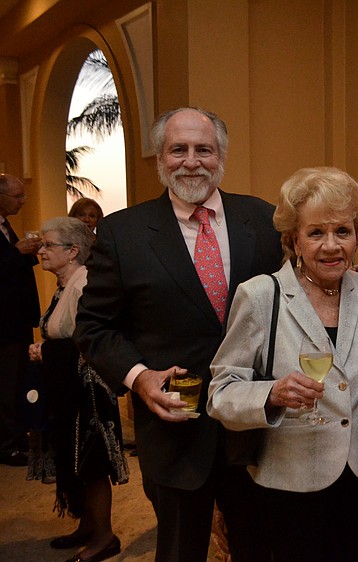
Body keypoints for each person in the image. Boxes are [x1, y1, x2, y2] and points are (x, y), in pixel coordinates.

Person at [74, 107, 283, 562]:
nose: (192, 161)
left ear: (220, 155)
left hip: (253, 426)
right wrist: (138, 377)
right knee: (179, 551)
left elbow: (295, 290)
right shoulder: (123, 233)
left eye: (203, 149)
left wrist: (343, 279)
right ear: (160, 160)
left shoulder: (264, 220)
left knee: (263, 548)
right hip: (175, 425)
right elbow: (92, 325)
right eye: (178, 150)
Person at [208, 166, 358, 561]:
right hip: (289, 480)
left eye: (343, 231)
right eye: (316, 233)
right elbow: (220, 391)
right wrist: (272, 393)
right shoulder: (259, 297)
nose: (331, 246)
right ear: (293, 239)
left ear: (357, 237)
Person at [27, 217, 126, 562]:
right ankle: (87, 526)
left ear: (73, 251)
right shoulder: (65, 283)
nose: (40, 251)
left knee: (92, 463)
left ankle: (104, 537)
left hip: (88, 392)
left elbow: (89, 340)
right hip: (71, 388)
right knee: (76, 460)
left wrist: (46, 350)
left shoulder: (84, 283)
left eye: (48, 245)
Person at [0, 173, 41, 467]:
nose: (23, 201)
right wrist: (17, 253)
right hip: (3, 324)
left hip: (17, 320)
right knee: (5, 384)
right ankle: (6, 444)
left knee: (17, 382)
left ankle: (16, 436)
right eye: (18, 196)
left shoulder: (6, 226)